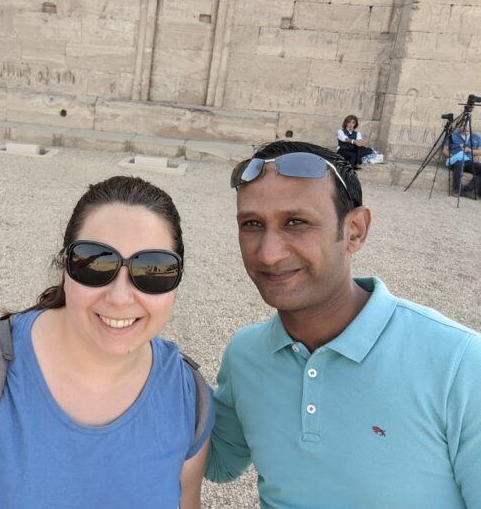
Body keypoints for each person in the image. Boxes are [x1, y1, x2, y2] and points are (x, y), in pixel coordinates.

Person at [0, 176, 213, 509]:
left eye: (153, 270)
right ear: (65, 267)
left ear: (177, 280)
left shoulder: (188, 397)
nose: (120, 297)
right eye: (95, 263)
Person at [206, 141, 481, 507]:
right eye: (252, 224)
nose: (269, 254)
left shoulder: (459, 363)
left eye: (296, 222)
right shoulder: (246, 355)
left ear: (355, 231)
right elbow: (219, 463)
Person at [442, 121, 481, 197]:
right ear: (459, 127)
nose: (465, 127)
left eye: (467, 126)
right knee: (460, 164)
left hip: (468, 161)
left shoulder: (476, 137)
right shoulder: (452, 136)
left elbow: (480, 151)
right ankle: (456, 190)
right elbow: (444, 150)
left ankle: (466, 190)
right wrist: (453, 156)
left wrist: (470, 150)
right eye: (463, 125)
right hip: (455, 160)